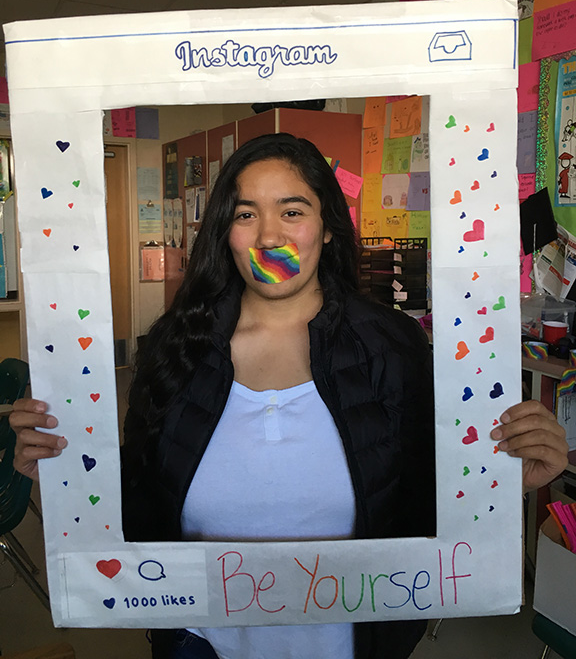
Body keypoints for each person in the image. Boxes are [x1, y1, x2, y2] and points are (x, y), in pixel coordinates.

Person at [11, 133, 569, 659]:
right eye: (245, 213)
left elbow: (422, 495)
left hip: (352, 643)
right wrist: (70, 480)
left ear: (327, 228)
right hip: (201, 643)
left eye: (292, 211)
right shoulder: (175, 344)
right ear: (224, 231)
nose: (269, 237)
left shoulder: (392, 347)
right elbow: (142, 500)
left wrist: (498, 480)